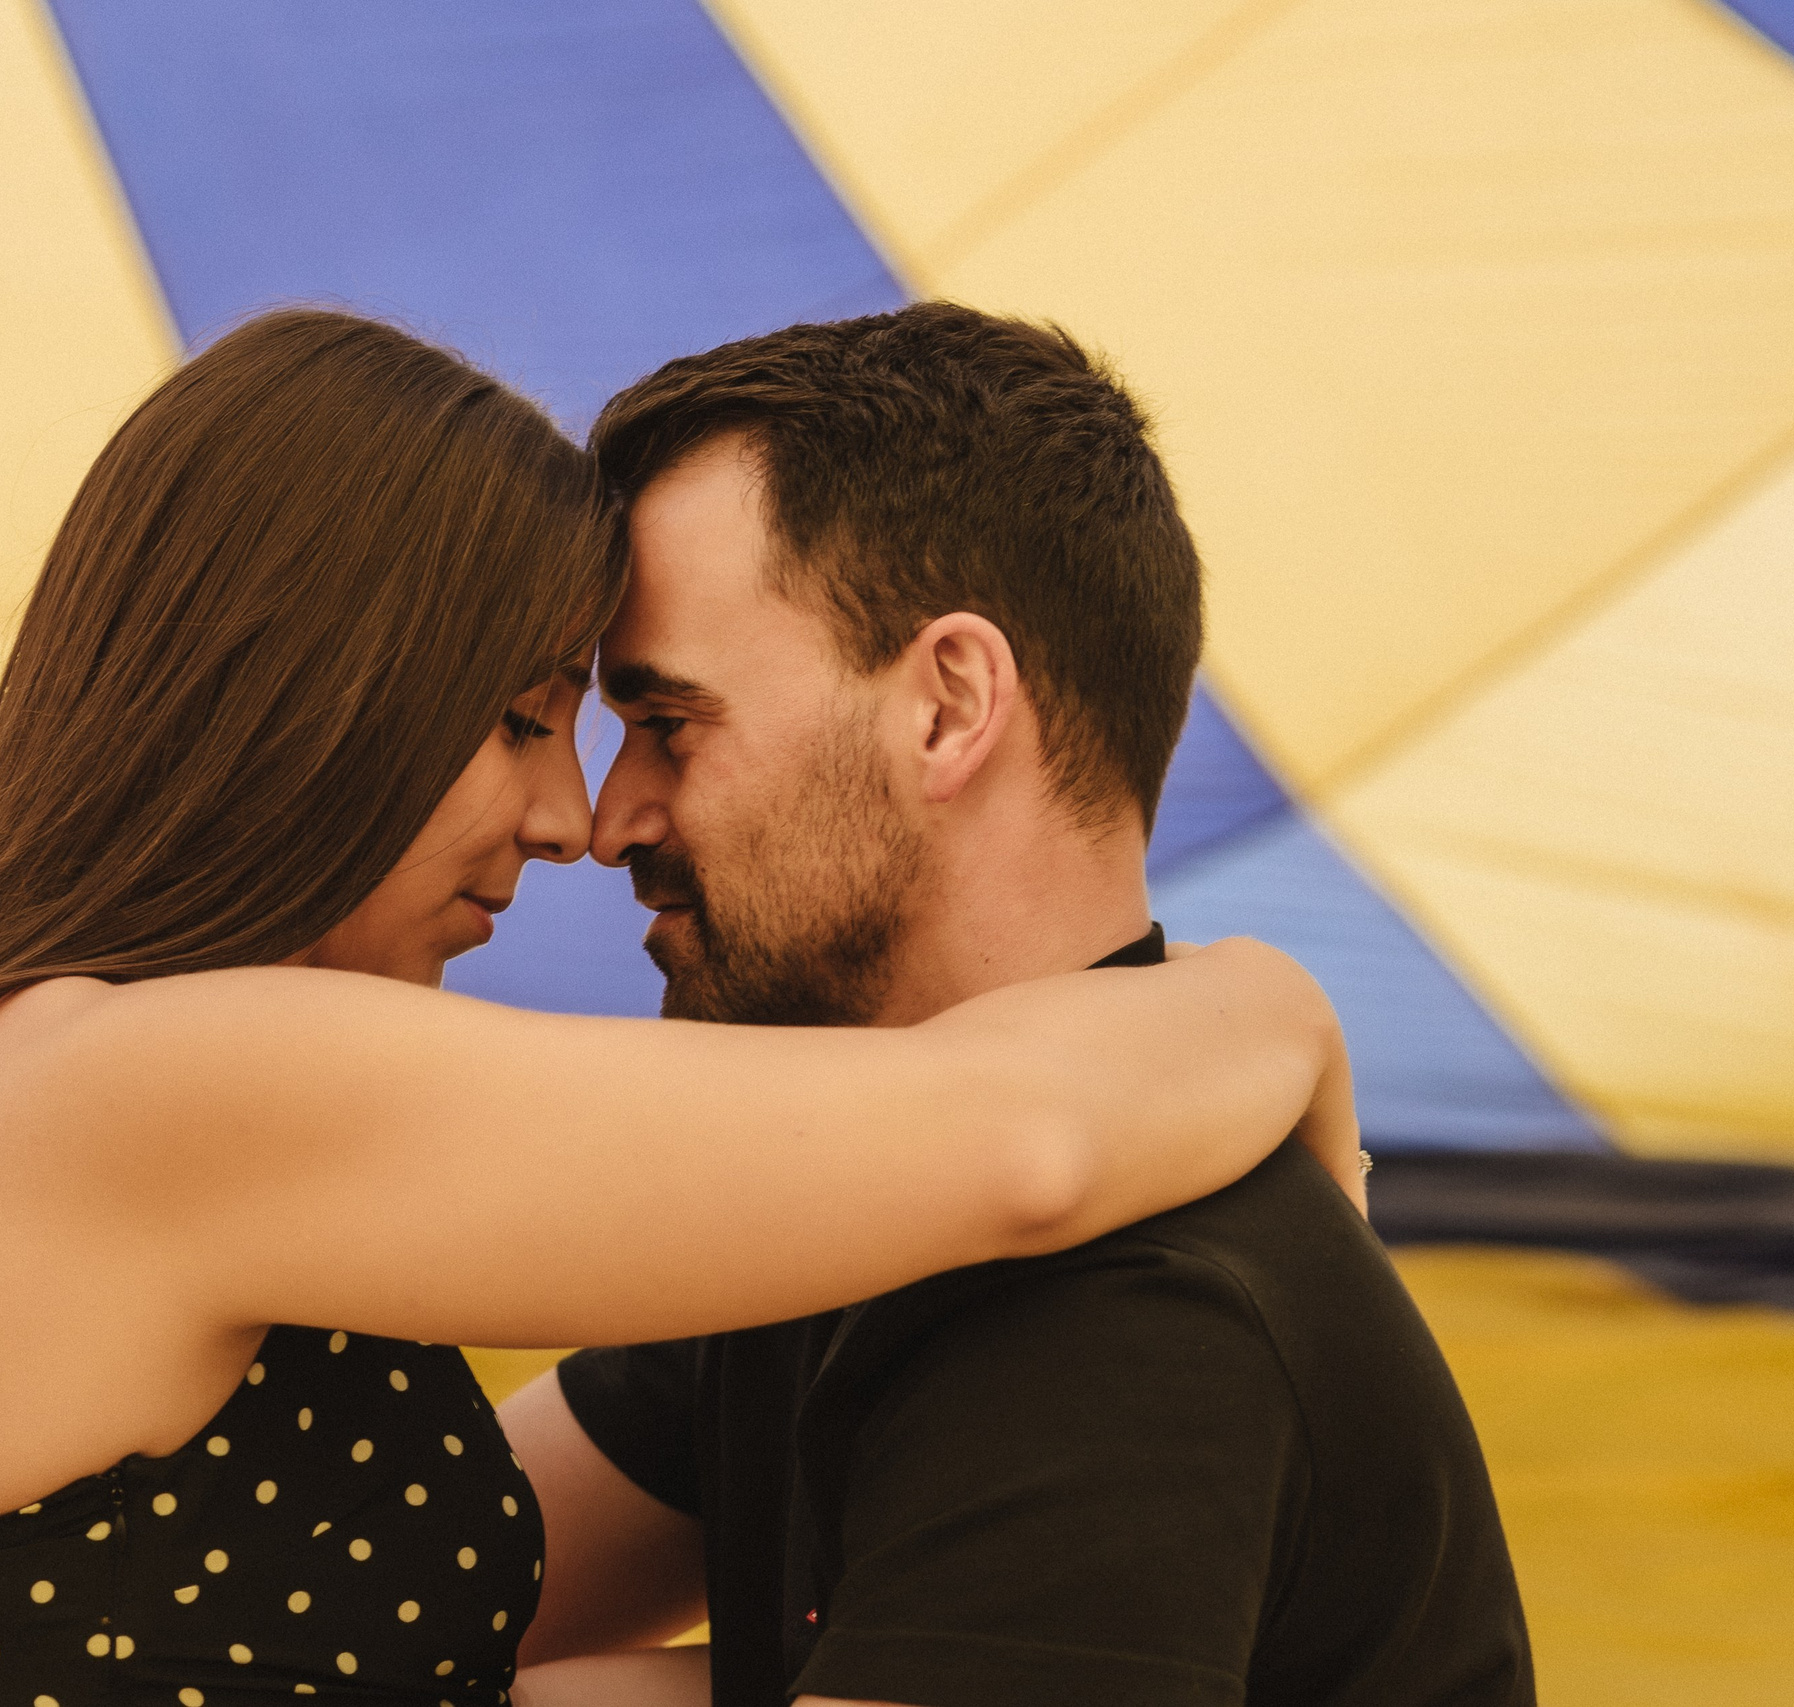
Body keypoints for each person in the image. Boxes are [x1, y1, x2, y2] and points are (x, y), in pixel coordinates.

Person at [0, 309, 1357, 1706]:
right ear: (318, 697)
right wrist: (1278, 1006)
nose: (571, 815)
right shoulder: (159, 1082)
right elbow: (1025, 1146)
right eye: (531, 715)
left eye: (645, 719)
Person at [504, 304, 1535, 1707]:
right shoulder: (855, 1193)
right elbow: (412, 1602)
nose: (608, 817)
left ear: (946, 707)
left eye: (671, 725)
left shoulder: (1138, 1314)